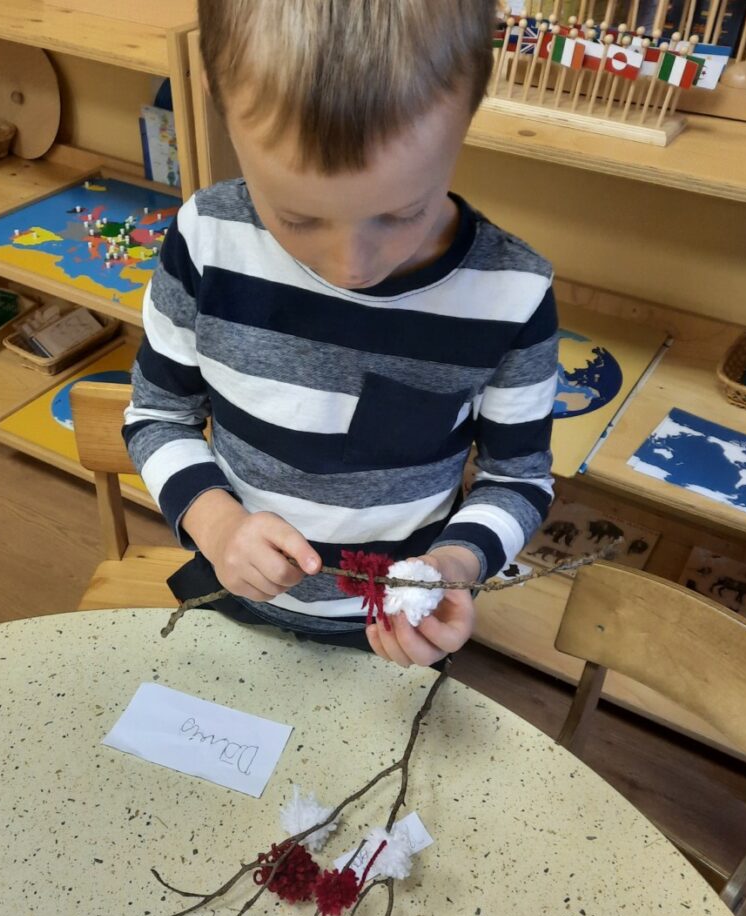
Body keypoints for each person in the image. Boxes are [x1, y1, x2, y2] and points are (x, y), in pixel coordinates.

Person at [123, 0, 557, 667]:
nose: (352, 268)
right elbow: (158, 416)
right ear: (218, 99)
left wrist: (454, 563)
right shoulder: (207, 240)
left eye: (402, 213)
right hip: (229, 596)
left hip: (391, 634)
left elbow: (517, 480)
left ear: (473, 100)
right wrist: (216, 523)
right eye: (297, 217)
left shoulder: (511, 295)